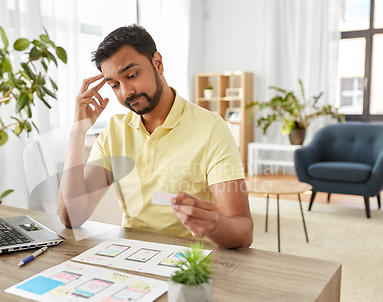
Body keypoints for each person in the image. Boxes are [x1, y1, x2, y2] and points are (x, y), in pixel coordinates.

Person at [59, 25, 253, 248]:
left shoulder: (211, 128)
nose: (125, 92)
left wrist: (214, 225)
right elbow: (71, 216)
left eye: (132, 75)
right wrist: (78, 131)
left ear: (158, 63)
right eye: (114, 85)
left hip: (187, 266)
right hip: (131, 259)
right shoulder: (114, 132)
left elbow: (244, 230)